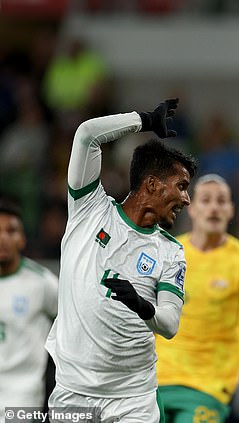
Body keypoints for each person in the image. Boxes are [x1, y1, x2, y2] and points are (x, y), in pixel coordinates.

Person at [45, 98, 197, 422]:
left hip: (134, 398)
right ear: (152, 184)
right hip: (74, 391)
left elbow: (169, 324)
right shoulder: (89, 208)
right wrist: (144, 120)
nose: (187, 199)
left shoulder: (170, 251)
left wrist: (144, 307)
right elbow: (87, 134)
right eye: (181, 186)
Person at [156, 173, 239, 422]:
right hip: (155, 381)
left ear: (230, 210)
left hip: (208, 388)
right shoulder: (170, 253)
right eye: (206, 200)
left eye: (221, 201)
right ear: (192, 208)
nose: (214, 208)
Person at [0, 197, 58, 422]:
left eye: (11, 230)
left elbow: (70, 325)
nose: (3, 238)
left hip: (22, 399)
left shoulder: (43, 284)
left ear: (22, 239)